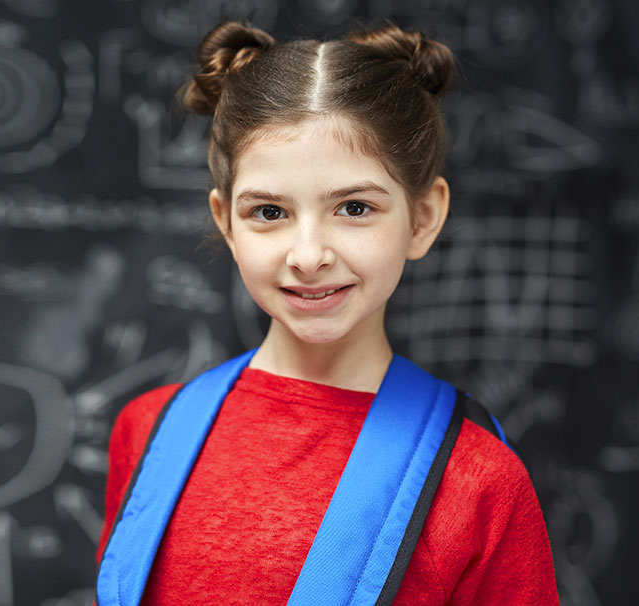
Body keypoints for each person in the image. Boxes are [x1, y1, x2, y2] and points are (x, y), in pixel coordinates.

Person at [94, 20, 559, 606]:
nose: (309, 256)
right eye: (268, 212)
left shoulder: (477, 480)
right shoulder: (148, 431)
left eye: (355, 207)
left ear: (422, 218)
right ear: (224, 221)